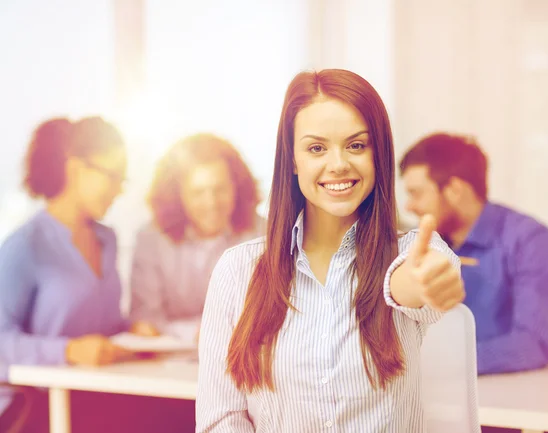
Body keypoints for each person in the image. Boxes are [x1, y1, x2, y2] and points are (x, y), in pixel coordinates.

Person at [195, 69, 465, 432]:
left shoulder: (414, 251)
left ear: (378, 154)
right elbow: (221, 419)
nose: (338, 163)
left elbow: (409, 281)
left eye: (356, 145)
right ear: (292, 159)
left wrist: (419, 284)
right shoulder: (238, 270)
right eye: (316, 148)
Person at [0, 117, 159, 433]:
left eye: (121, 180)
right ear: (74, 169)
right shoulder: (25, 246)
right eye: (111, 176)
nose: (117, 190)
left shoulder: (107, 239)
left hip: (92, 392)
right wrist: (69, 351)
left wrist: (131, 331)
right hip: (33, 405)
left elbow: (97, 325)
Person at [399, 132, 548, 376]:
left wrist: (442, 365)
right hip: (476, 386)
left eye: (416, 193)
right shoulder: (431, 246)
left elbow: (533, 344)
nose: (409, 206)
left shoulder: (530, 240)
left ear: (455, 190)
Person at [129, 134, 264, 341]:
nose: (211, 203)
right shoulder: (151, 239)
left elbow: (270, 313)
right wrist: (196, 333)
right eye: (198, 192)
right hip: (167, 364)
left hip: (245, 359)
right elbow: (145, 320)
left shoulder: (263, 233)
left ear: (237, 188)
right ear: (178, 194)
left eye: (220, 189)